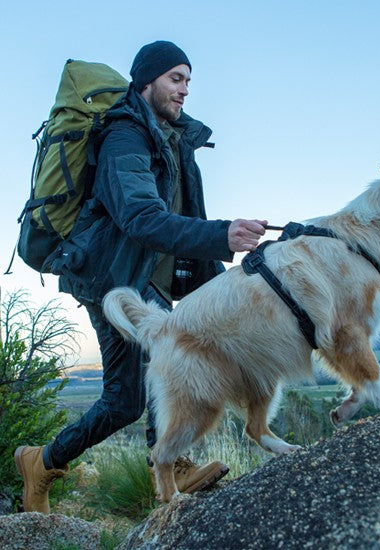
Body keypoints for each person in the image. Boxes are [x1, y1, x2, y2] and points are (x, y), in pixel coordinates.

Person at [14, 40, 268, 513]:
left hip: (138, 278)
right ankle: (173, 465)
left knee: (124, 401)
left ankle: (40, 461)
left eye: (189, 80)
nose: (185, 89)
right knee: (168, 355)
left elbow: (178, 214)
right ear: (146, 81)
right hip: (111, 279)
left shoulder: (168, 137)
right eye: (176, 78)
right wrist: (222, 236)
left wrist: (218, 268)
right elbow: (139, 217)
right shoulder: (126, 137)